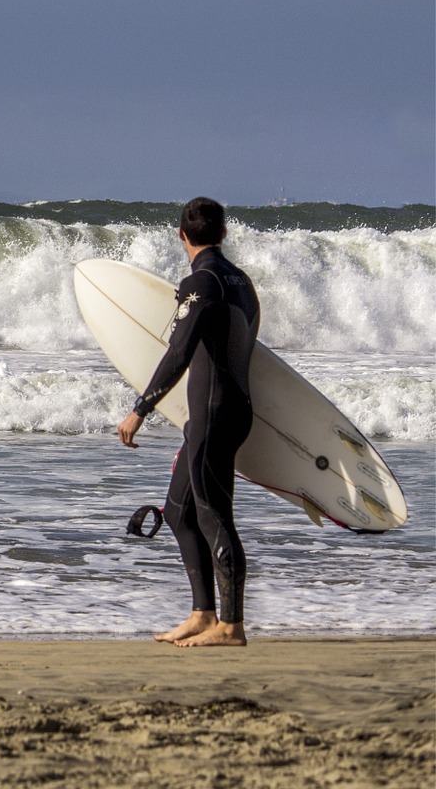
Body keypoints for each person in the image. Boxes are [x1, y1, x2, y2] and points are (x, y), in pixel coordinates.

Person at [116, 197, 260, 648]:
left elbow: (179, 351)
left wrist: (141, 408)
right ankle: (203, 613)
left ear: (181, 235)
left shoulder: (200, 282)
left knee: (215, 515)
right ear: (224, 233)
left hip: (214, 415)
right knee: (179, 512)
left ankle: (231, 626)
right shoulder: (242, 282)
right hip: (230, 410)